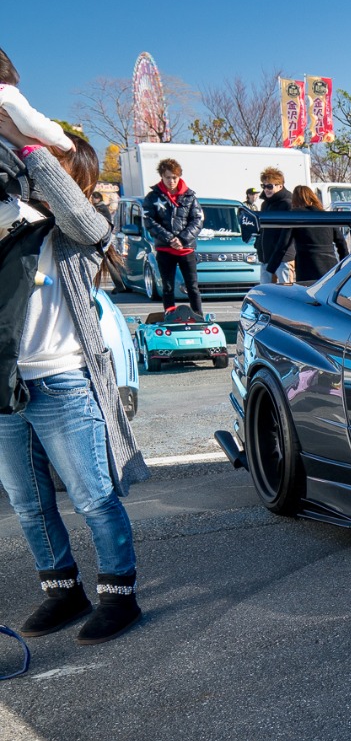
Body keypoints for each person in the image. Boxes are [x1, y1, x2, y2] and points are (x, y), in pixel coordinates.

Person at [0, 132, 148, 645]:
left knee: (93, 499)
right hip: (7, 384)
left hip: (62, 380)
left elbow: (75, 213)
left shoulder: (84, 232)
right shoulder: (12, 222)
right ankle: (62, 590)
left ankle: (119, 595)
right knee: (26, 501)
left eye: (52, 163)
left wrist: (26, 137)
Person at [142, 158, 204, 314]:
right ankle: (170, 315)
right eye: (168, 177)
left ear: (179, 176)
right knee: (168, 287)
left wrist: (182, 239)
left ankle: (198, 316)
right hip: (165, 250)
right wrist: (170, 239)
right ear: (162, 177)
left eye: (174, 177)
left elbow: (197, 220)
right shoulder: (152, 197)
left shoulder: (190, 196)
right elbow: (149, 221)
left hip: (186, 249)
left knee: (192, 287)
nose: (171, 181)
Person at [289, 184, 350, 281]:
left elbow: (284, 242)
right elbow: (341, 242)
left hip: (306, 267)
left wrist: (272, 265)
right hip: (330, 265)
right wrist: (344, 264)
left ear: (295, 201)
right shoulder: (326, 216)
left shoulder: (296, 216)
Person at [256, 167, 295, 284]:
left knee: (286, 290)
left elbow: (287, 234)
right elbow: (262, 229)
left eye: (270, 186)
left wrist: (280, 252)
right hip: (266, 257)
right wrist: (258, 245)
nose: (266, 189)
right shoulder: (265, 204)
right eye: (263, 186)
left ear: (280, 186)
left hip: (283, 258)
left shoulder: (288, 203)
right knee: (265, 291)